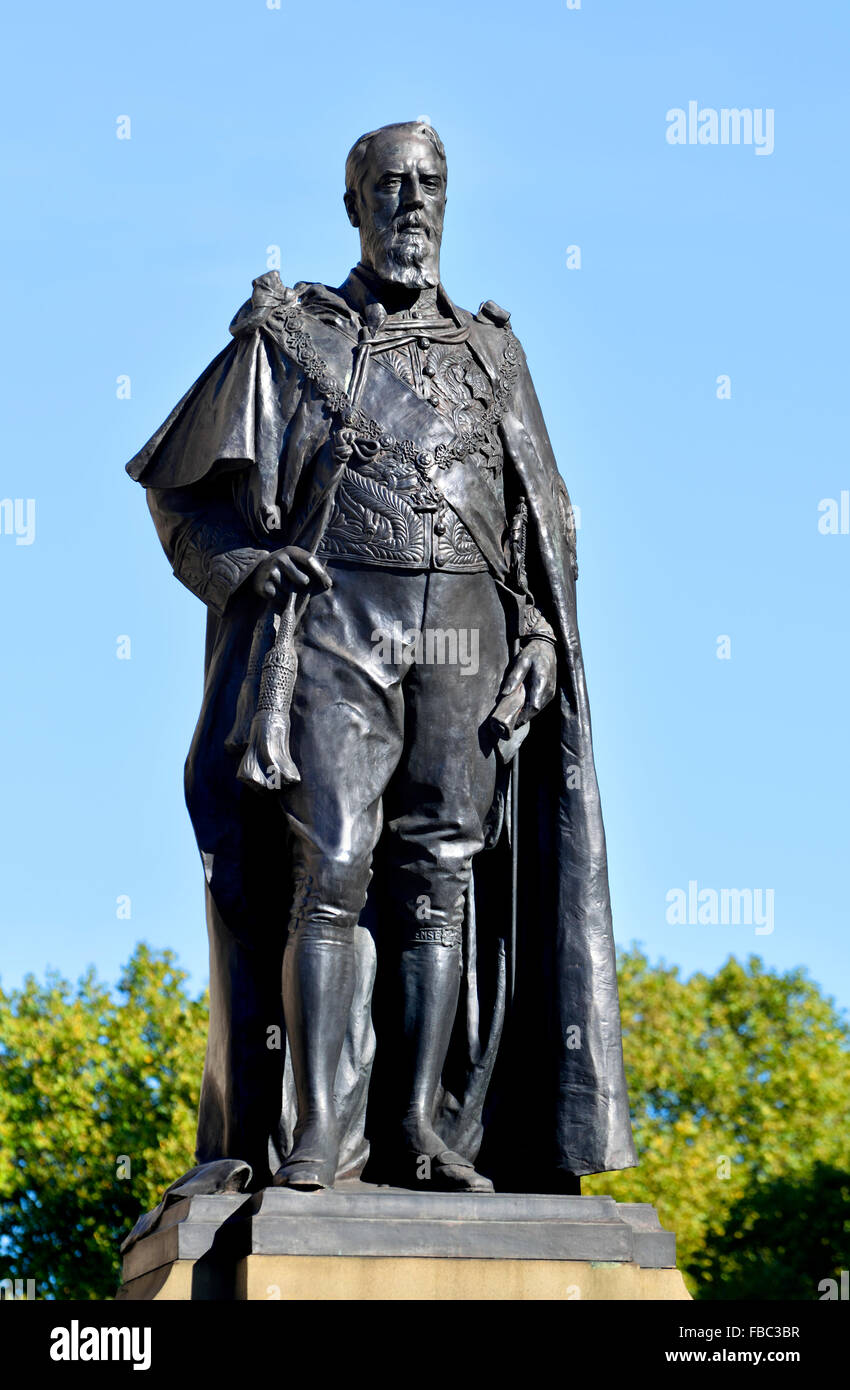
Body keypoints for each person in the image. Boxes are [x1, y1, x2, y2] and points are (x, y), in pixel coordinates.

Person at [127, 121, 637, 1198]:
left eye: (430, 185)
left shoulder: (495, 353)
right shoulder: (290, 337)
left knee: (438, 880)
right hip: (337, 621)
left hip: (469, 626)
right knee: (332, 872)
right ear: (352, 204)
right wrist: (240, 568)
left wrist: (542, 632)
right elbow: (179, 489)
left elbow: (541, 524)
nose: (412, 203)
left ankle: (416, 1129)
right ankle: (318, 1136)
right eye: (390, 186)